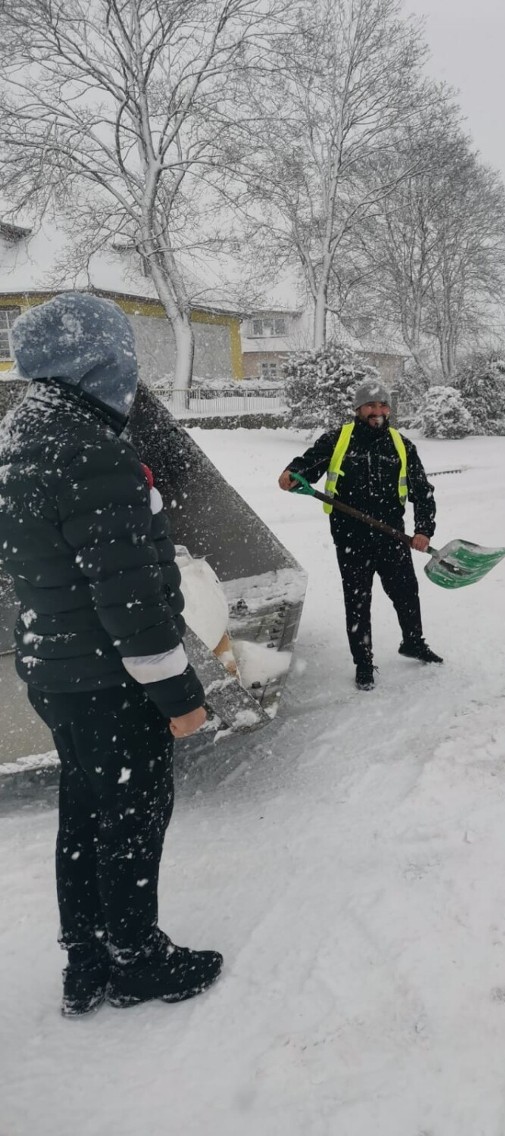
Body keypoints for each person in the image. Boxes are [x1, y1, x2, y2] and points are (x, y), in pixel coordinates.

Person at [0, 292, 222, 1016]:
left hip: (58, 671)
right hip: (111, 677)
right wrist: (181, 698)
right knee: (132, 813)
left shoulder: (21, 434)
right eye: (123, 356)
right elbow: (128, 598)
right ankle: (137, 960)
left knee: (85, 812)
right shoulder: (90, 447)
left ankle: (87, 959)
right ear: (97, 359)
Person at [278, 381, 442, 690]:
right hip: (350, 538)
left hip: (392, 536)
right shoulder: (338, 440)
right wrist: (291, 472)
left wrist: (423, 530)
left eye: (383, 406)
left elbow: (422, 492)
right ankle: (363, 662)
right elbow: (307, 465)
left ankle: (413, 641)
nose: (378, 412)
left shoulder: (401, 444)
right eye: (371, 406)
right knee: (357, 601)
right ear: (358, 409)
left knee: (406, 592)